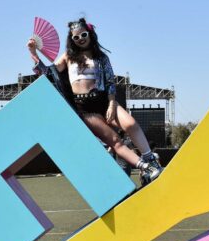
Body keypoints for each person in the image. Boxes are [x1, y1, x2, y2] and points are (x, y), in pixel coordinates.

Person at [27, 18, 163, 185]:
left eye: (83, 34)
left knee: (131, 125)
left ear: (90, 34)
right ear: (72, 39)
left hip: (104, 101)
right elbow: (49, 74)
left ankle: (151, 160)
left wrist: (112, 103)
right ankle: (146, 168)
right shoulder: (68, 56)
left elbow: (111, 81)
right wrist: (33, 54)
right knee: (115, 142)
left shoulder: (101, 57)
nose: (80, 39)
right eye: (76, 37)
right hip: (85, 108)